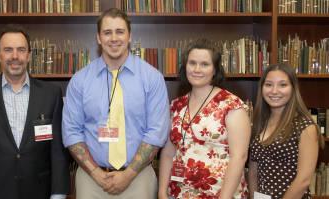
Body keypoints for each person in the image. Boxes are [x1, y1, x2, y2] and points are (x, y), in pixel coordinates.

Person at [62, 8, 170, 199]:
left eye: (120, 31)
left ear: (129, 36)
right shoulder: (79, 80)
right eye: (107, 32)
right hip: (91, 180)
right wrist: (96, 173)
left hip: (138, 178)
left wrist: (128, 175)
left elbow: (156, 132)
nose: (114, 38)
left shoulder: (152, 78)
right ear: (98, 37)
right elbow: (71, 131)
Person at [0, 25, 70, 199]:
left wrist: (58, 193)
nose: (15, 56)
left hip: (38, 191)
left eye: (21, 50)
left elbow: (58, 149)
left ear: (29, 55)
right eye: (8, 50)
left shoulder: (51, 94)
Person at [158, 38, 251, 198]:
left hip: (220, 194)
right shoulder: (176, 105)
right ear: (185, 67)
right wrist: (161, 192)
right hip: (179, 193)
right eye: (192, 63)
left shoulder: (231, 105)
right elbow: (168, 153)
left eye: (204, 64)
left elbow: (239, 156)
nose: (197, 69)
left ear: (215, 70)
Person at [248, 64, 321, 199]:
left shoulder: (305, 126)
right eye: (269, 84)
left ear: (293, 89)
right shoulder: (259, 124)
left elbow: (303, 180)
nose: (274, 91)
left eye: (282, 85)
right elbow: (253, 171)